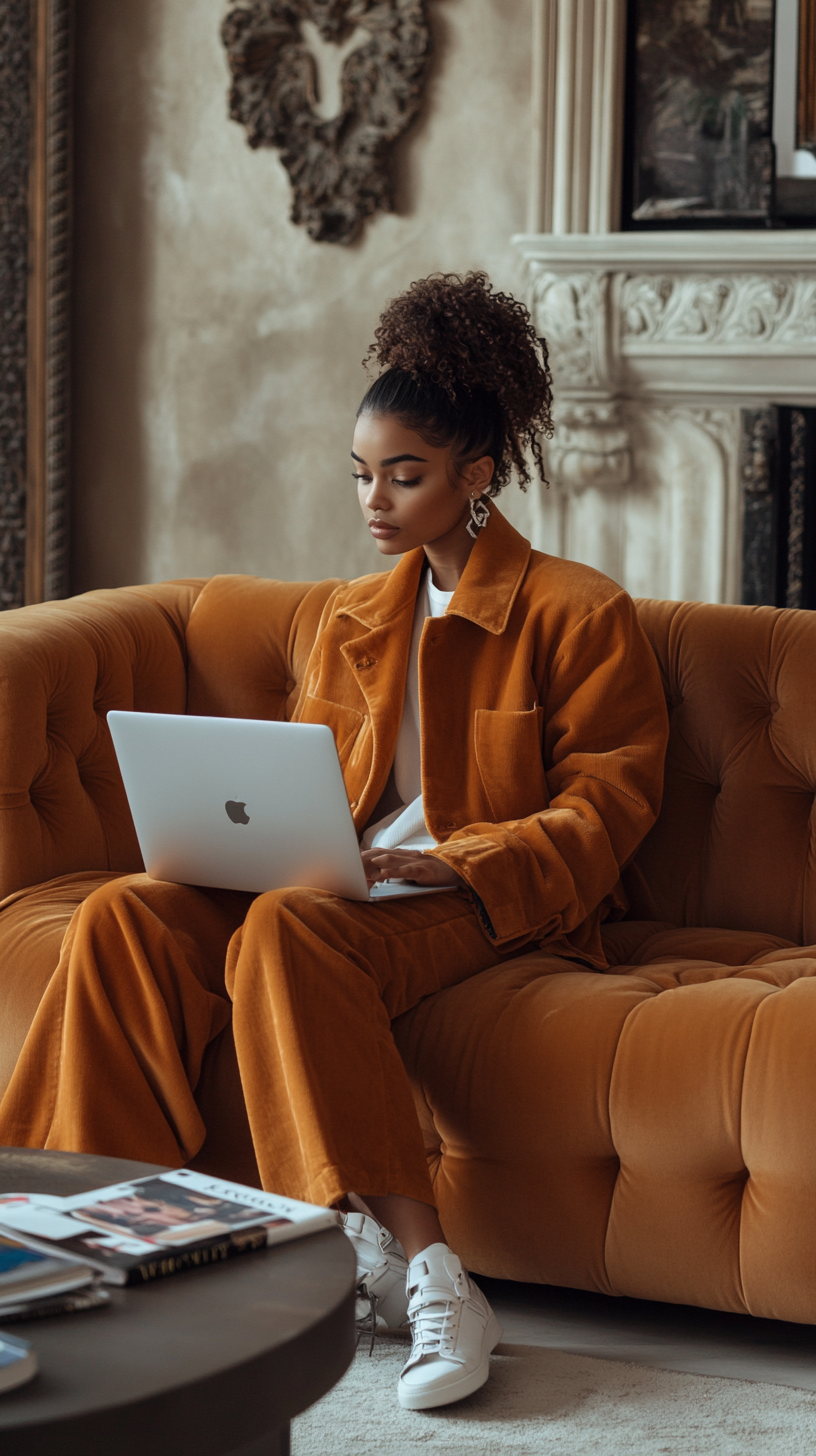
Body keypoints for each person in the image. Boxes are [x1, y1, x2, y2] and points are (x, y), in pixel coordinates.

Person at [0, 272, 669, 1411]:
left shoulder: (577, 612)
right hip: (340, 881)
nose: (375, 500)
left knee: (292, 927)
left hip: (482, 898)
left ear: (478, 476)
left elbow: (605, 809)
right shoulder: (354, 618)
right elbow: (305, 786)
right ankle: (75, 1251)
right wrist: (250, 838)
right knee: (120, 914)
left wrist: (459, 858)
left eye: (403, 475)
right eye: (363, 475)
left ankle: (429, 1271)